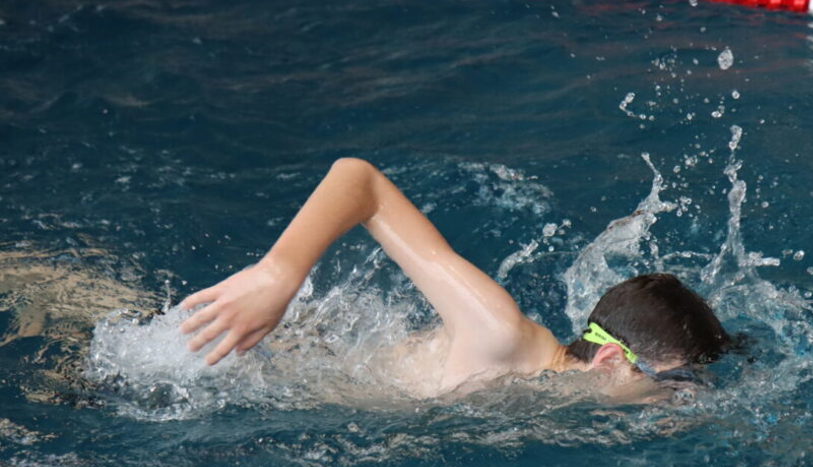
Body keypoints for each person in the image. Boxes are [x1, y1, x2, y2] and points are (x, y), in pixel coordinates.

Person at [179, 158, 730, 395]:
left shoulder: (550, 391)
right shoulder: (501, 335)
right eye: (673, 385)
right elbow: (360, 182)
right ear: (611, 361)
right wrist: (276, 276)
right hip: (235, 350)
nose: (680, 403)